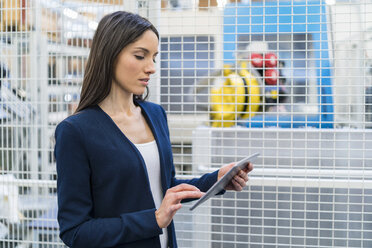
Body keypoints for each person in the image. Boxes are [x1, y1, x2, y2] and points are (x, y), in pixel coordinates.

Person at [54, 11, 253, 248]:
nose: (151, 68)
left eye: (154, 58)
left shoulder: (155, 114)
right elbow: (75, 232)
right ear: (109, 55)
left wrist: (216, 180)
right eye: (140, 56)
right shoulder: (75, 131)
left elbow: (165, 188)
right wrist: (154, 219)